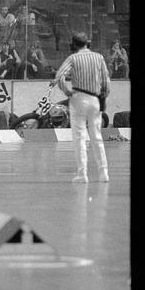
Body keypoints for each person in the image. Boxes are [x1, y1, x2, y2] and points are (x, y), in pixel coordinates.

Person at [53, 32, 111, 183]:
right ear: (88, 43)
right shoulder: (99, 57)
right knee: (97, 136)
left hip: (78, 98)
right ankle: (103, 172)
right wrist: (103, 96)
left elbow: (60, 76)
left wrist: (66, 91)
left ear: (73, 45)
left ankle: (82, 174)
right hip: (95, 99)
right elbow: (106, 82)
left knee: (79, 137)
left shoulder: (73, 58)